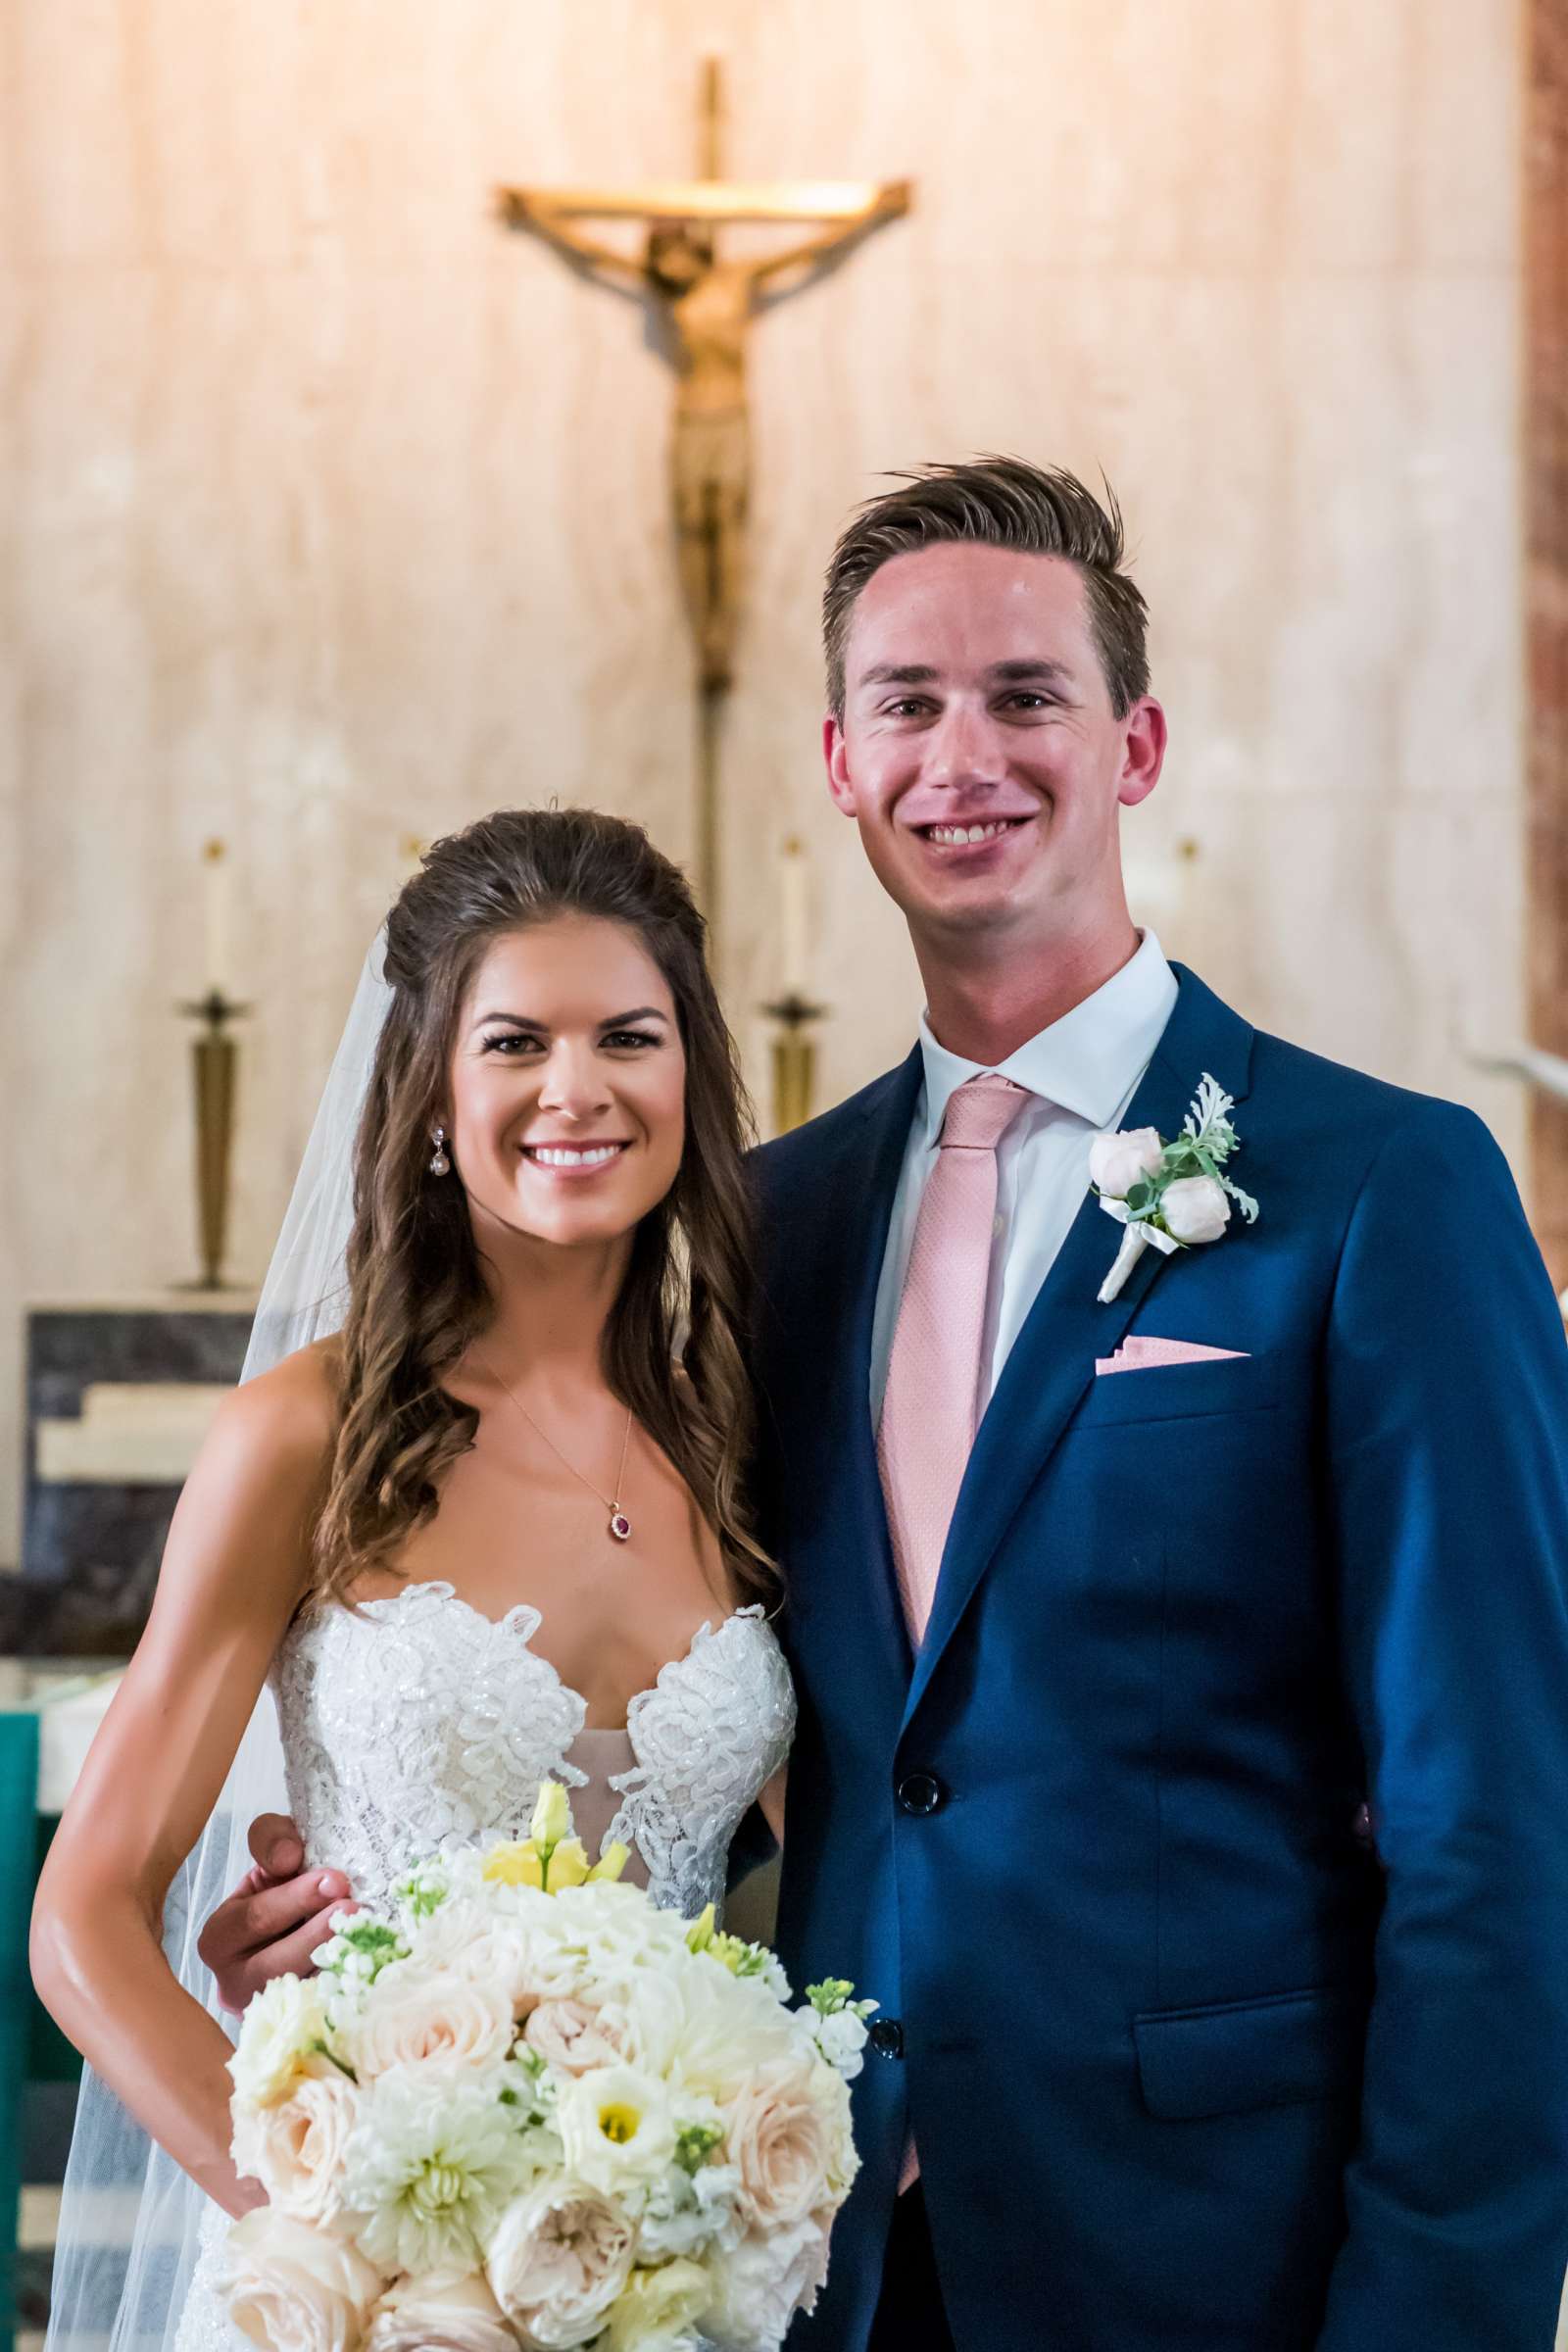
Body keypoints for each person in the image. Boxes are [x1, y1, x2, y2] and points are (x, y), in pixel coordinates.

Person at [201, 460, 1568, 2352]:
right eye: (907, 706)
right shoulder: (772, 1226)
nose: (965, 756)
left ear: (1136, 744)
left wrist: (1438, 2312)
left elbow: (1496, 1816)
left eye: (1028, 697)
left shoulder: (1384, 1191)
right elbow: (674, 1714)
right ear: (841, 766)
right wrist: (350, 1947)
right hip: (795, 2250)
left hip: (1218, 2248)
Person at [31, 808, 794, 2352]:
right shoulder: (306, 1432)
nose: (573, 1090)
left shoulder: (746, 1440)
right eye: (514, 1041)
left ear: (691, 1079)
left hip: (666, 2288)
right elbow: (87, 1917)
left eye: (626, 1038)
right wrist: (332, 2237)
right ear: (432, 1094)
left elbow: (845, 1856)